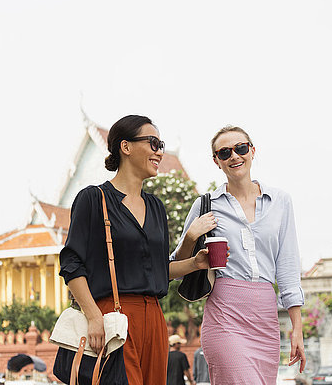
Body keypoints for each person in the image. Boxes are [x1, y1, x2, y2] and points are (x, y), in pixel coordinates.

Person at [59, 115, 215, 385]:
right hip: (113, 314)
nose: (159, 151)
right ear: (126, 147)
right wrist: (94, 315)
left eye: (161, 144)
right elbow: (71, 263)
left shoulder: (156, 207)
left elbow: (157, 269)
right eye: (153, 142)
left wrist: (195, 264)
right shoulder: (94, 199)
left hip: (154, 319)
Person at [172, 125, 306, 385]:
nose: (234, 156)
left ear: (252, 151)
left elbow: (288, 267)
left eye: (241, 148)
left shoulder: (281, 202)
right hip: (225, 314)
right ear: (216, 161)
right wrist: (191, 235)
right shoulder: (206, 205)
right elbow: (177, 264)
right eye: (224, 152)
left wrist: (296, 329)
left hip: (265, 319)